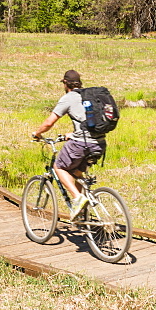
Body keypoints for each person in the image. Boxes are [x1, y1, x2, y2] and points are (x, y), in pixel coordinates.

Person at [32, 69, 106, 221]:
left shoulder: (69, 98)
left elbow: (49, 122)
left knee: (58, 167)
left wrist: (37, 134)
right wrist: (71, 134)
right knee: (75, 174)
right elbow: (89, 121)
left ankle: (78, 199)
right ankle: (84, 215)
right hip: (99, 143)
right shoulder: (90, 96)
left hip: (82, 144)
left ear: (65, 83)